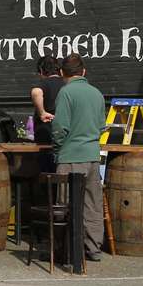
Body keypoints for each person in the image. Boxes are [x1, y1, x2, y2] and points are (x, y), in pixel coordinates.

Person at [50, 53, 106, 264]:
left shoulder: (66, 93)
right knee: (92, 203)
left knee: (64, 204)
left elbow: (59, 127)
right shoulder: (96, 93)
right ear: (84, 72)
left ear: (63, 73)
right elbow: (101, 126)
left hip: (71, 155)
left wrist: (57, 149)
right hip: (92, 155)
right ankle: (94, 248)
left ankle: (64, 250)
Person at [30, 55, 64, 133]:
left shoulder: (44, 84)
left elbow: (36, 92)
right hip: (64, 129)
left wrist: (42, 113)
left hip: (46, 130)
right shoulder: (67, 84)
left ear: (41, 71)